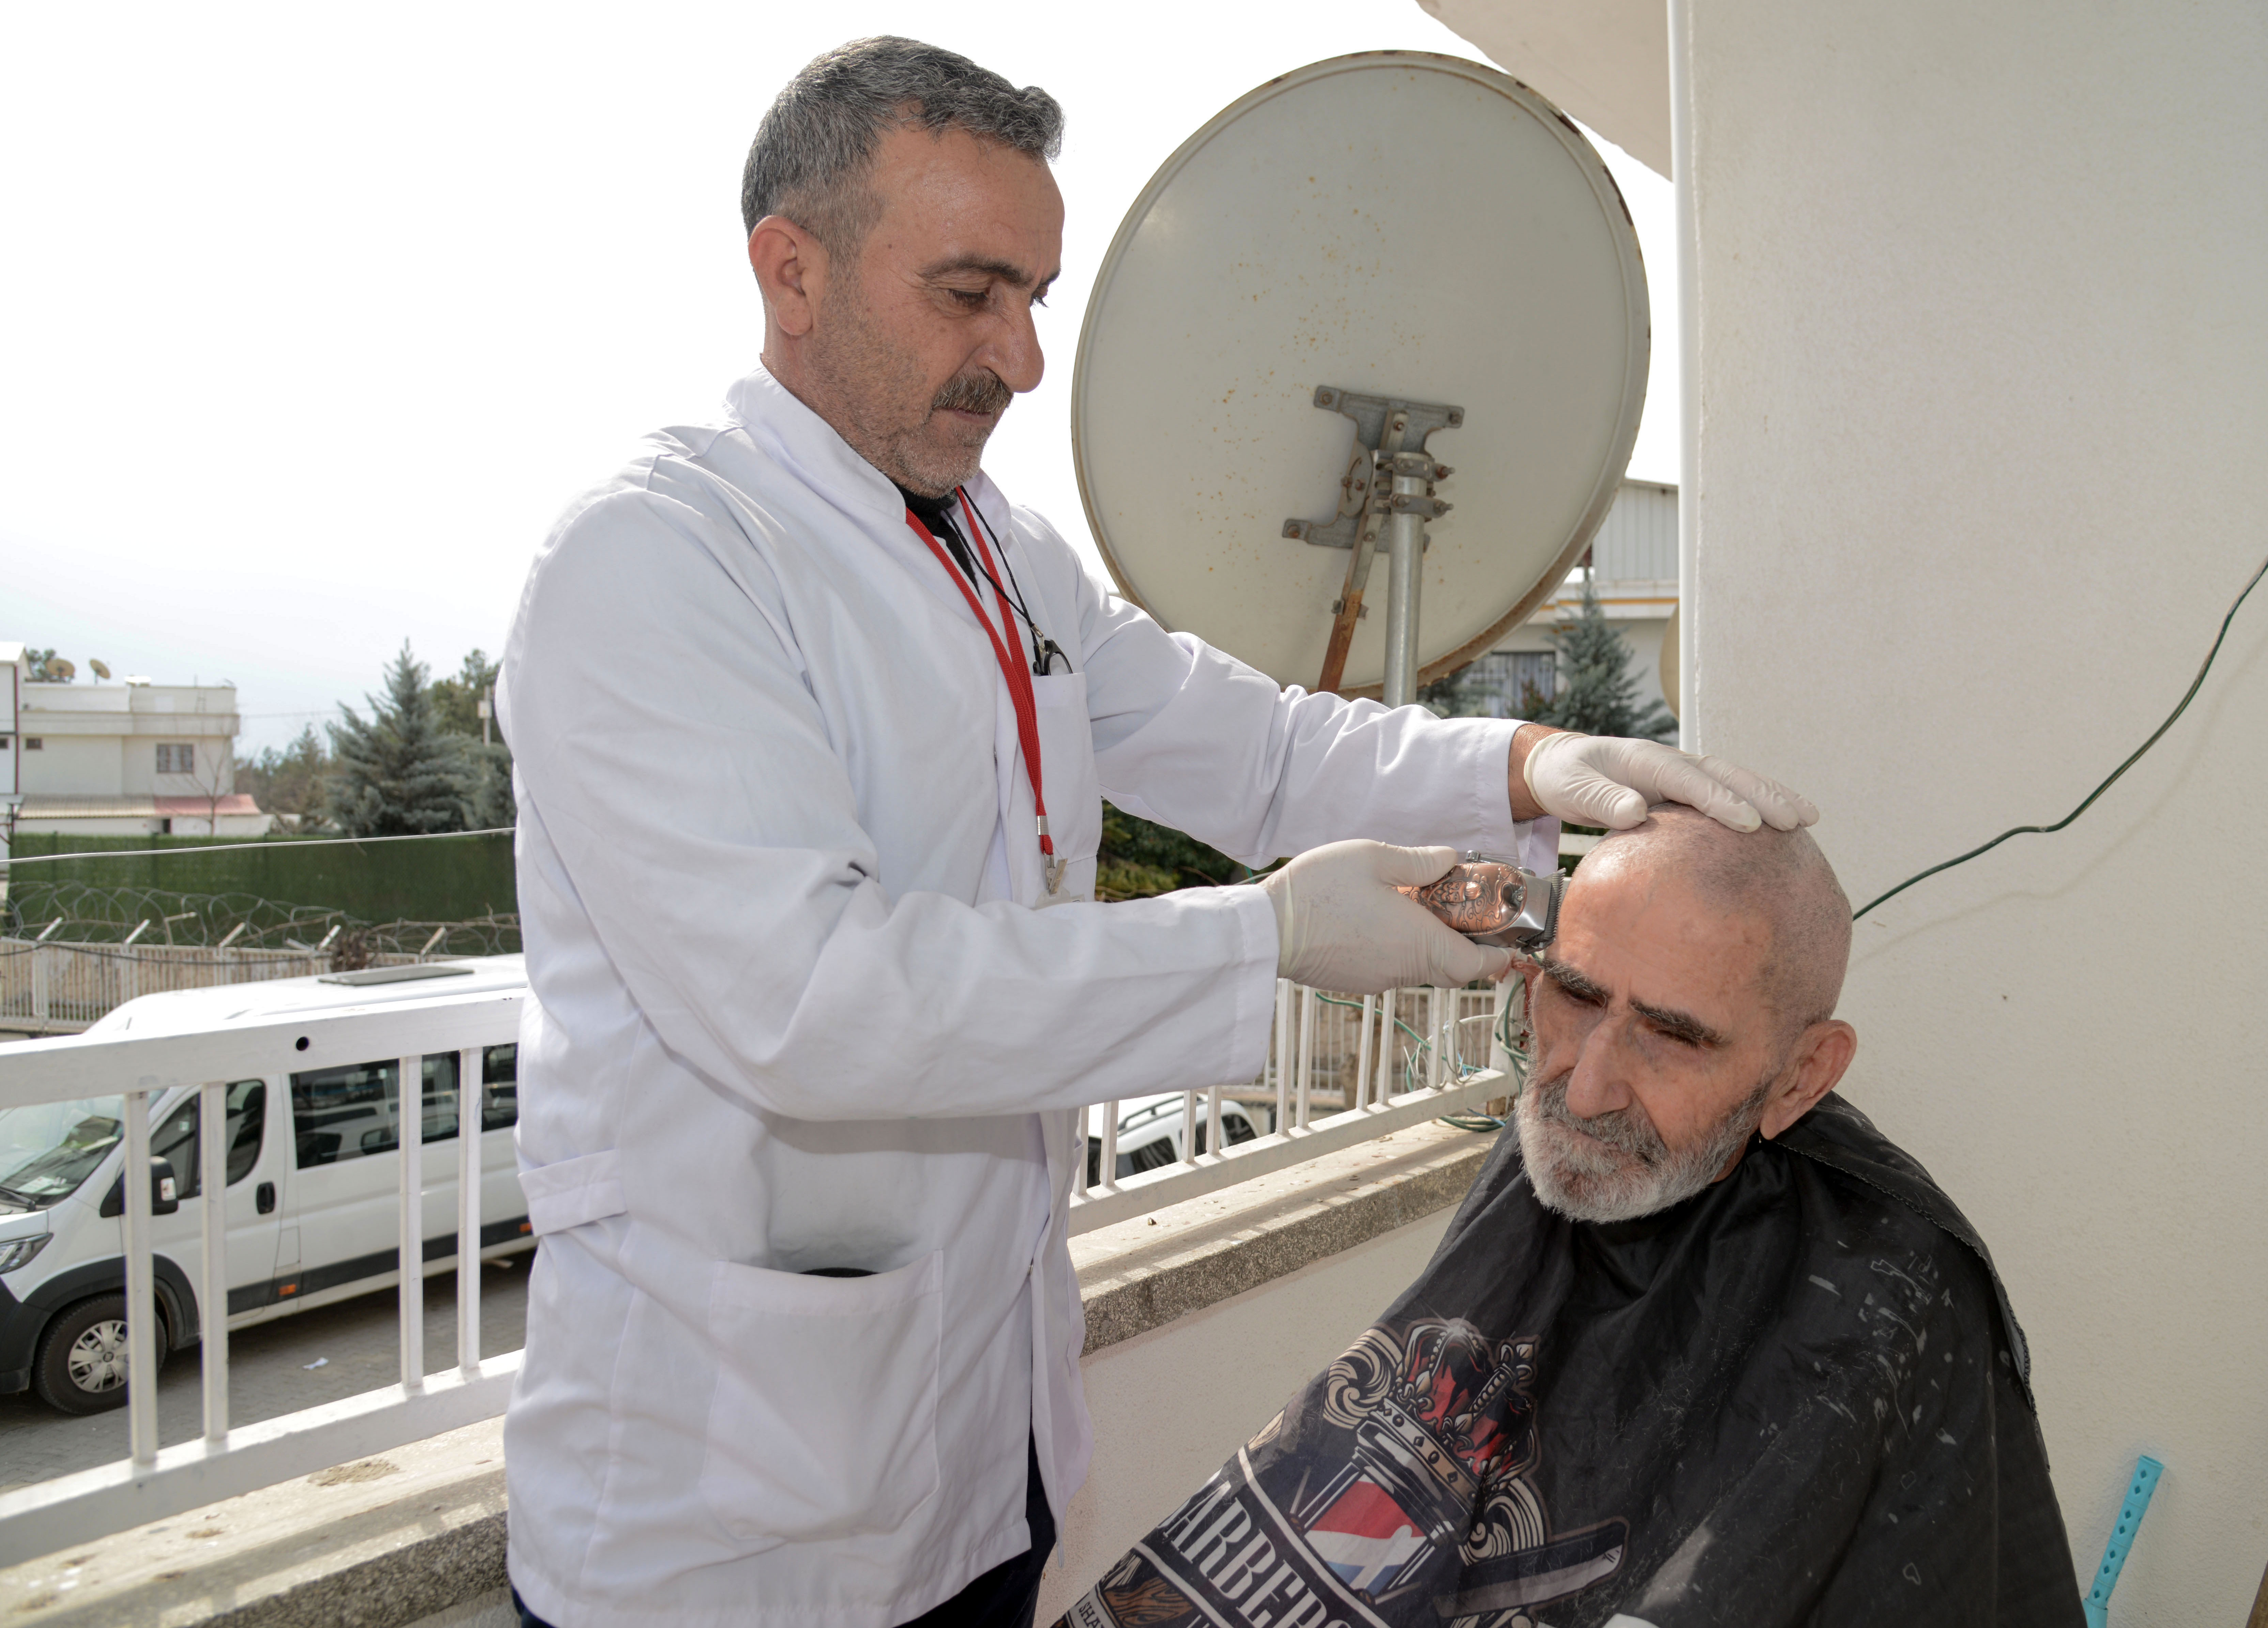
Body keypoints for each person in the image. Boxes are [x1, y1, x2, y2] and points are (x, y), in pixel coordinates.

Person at [494, 37, 1817, 1628]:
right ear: (791, 271)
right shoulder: (655, 563)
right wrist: (1267, 938)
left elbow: (1254, 747)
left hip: (967, 1469)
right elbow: (808, 1002)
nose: (1020, 356)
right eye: (969, 293)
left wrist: (1532, 763)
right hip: (721, 1527)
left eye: (1033, 296)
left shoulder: (999, 554)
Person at [1053, 808, 2084, 1627]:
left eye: (1673, 1037)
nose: (1585, 1089)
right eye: (1577, 996)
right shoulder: (1564, 1149)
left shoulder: (1887, 1293)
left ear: (1804, 1074)